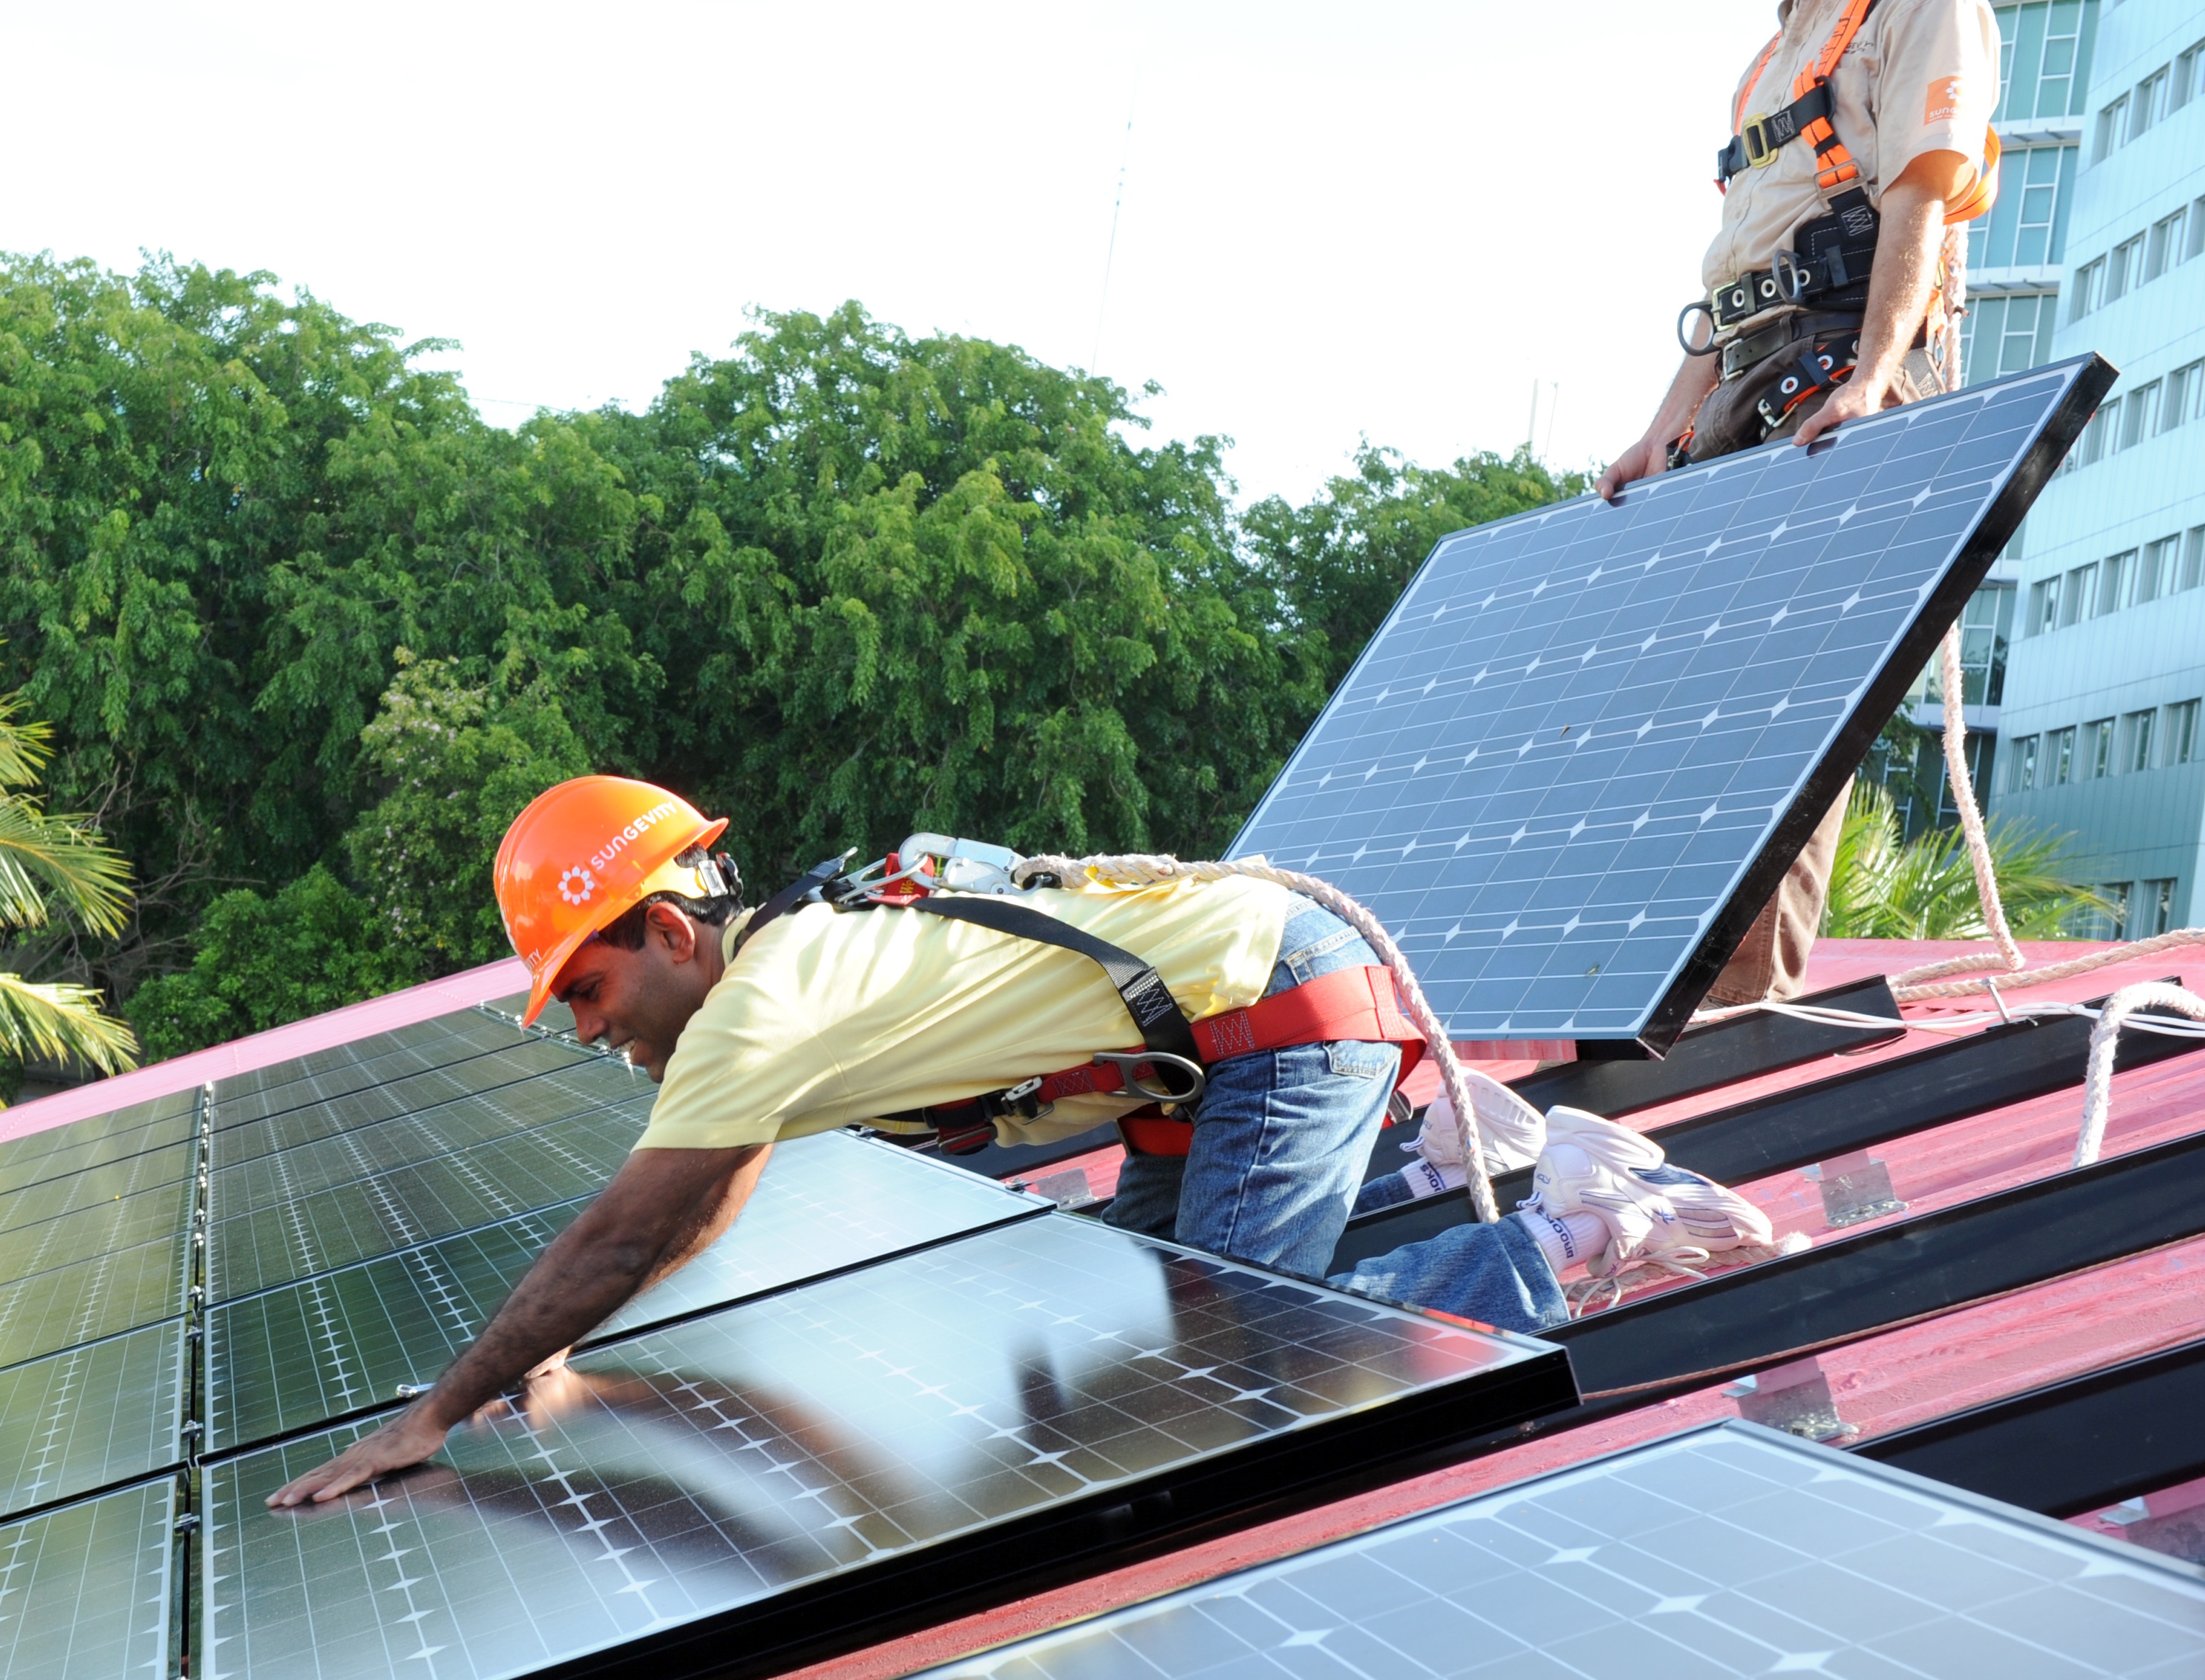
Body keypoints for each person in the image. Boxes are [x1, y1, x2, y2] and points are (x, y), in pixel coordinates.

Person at [270, 777, 1781, 1507]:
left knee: (1234, 1386)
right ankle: (1428, 1170)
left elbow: (629, 1229)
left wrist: (444, 1409)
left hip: (1276, 1012)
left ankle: (1563, 1227)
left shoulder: (761, 1004)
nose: (591, 1028)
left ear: (670, 929)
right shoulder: (770, 991)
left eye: (590, 988)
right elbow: (694, 1218)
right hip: (1211, 1056)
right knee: (1089, 1356)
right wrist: (577, 1370)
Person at [1598, 0, 2002, 1009]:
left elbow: (1919, 192)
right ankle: (1655, 995)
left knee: (1782, 703)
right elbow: (1734, 276)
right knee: (1686, 708)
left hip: (1840, 361)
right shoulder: (1771, 57)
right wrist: (1665, 431)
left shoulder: (1919, 7)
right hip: (1746, 369)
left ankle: (1740, 1015)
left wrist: (1871, 379)